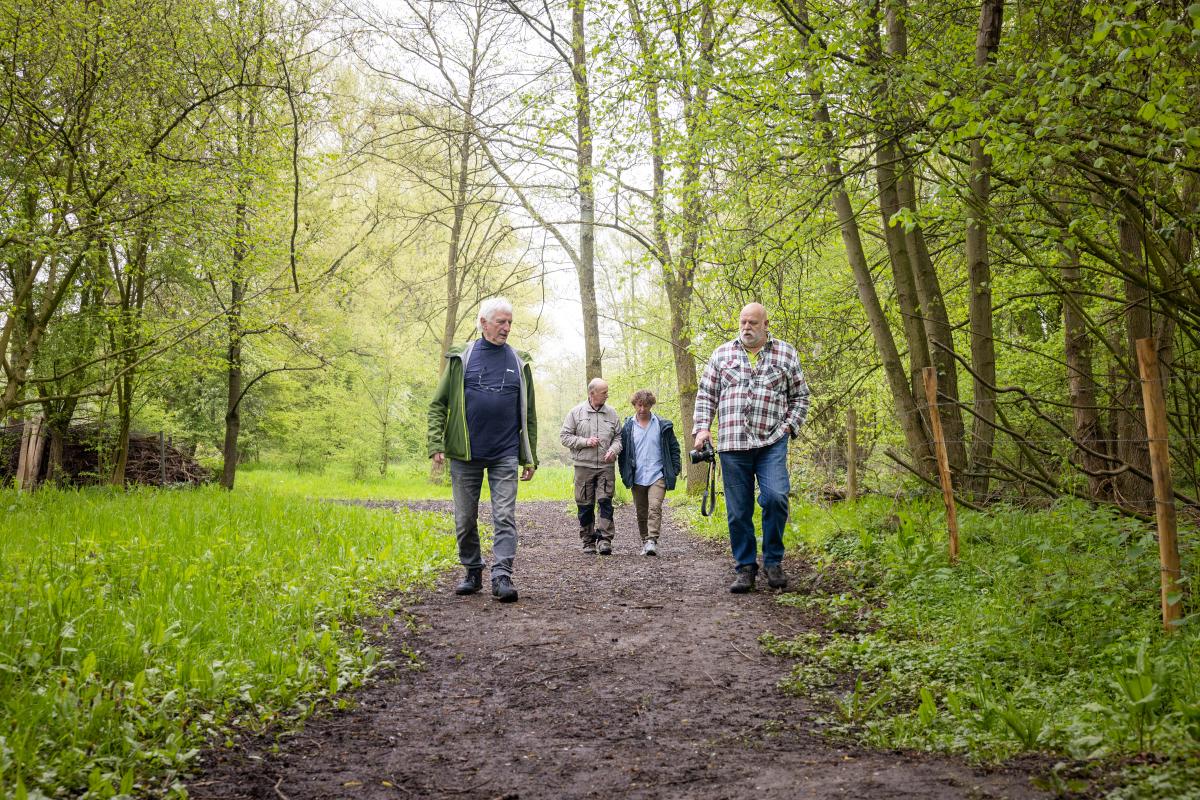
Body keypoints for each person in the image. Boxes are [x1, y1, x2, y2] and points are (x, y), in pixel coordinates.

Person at [693, 302, 810, 593]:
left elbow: (800, 397)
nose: (747, 327)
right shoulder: (722, 354)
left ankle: (773, 561)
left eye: (753, 323)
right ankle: (745, 567)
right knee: (738, 510)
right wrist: (703, 428)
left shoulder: (786, 353)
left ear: (766, 325)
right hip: (732, 443)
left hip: (772, 441)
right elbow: (706, 395)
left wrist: (789, 426)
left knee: (776, 497)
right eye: (743, 322)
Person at [428, 297, 537, 603]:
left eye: (510, 322)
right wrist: (436, 443)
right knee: (465, 519)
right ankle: (473, 569)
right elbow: (438, 405)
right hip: (465, 454)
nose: (507, 327)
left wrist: (530, 456)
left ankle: (502, 576)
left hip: (505, 453)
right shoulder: (462, 358)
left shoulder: (519, 362)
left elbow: (529, 414)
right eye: (501, 322)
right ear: (483, 323)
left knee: (504, 516)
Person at [560, 378, 622, 554]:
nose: (607, 395)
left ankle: (605, 540)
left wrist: (613, 450)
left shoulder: (612, 413)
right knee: (585, 504)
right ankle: (588, 541)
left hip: (606, 466)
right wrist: (585, 441)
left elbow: (619, 438)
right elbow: (564, 437)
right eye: (604, 392)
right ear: (592, 393)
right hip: (583, 466)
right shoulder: (576, 413)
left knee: (605, 502)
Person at [617, 390, 681, 557]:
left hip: (657, 475)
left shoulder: (662, 425)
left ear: (651, 405)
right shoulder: (628, 427)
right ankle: (645, 540)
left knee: (655, 507)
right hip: (637, 476)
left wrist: (674, 469)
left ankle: (652, 539)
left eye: (646, 405)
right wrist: (624, 473)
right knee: (641, 511)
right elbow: (623, 454)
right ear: (634, 405)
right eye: (639, 405)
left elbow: (674, 448)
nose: (642, 409)